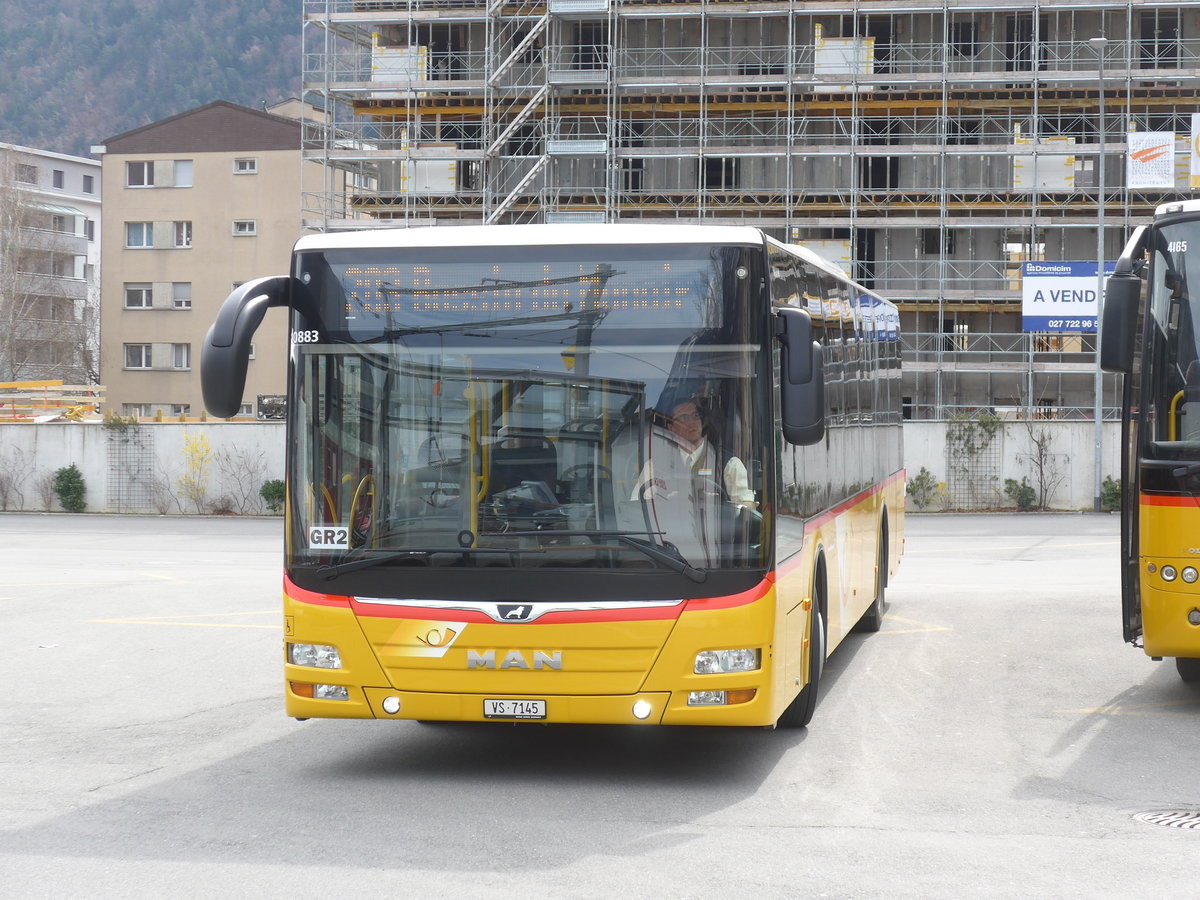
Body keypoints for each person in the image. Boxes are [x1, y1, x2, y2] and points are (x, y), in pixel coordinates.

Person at [630, 397, 756, 565]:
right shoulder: (654, 465)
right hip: (667, 559)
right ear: (671, 428)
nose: (692, 422)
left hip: (717, 563)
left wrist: (720, 506)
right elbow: (634, 507)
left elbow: (746, 513)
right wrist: (665, 502)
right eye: (683, 418)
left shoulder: (728, 463)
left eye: (695, 415)